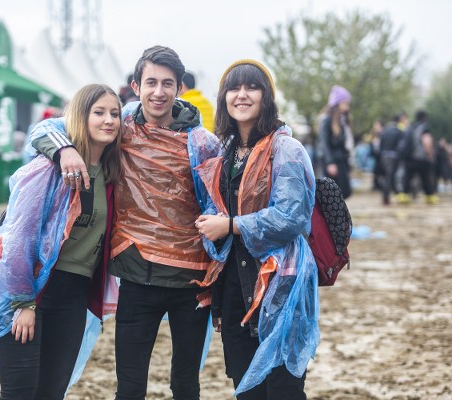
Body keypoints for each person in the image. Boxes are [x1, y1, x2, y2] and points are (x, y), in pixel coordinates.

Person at [27, 45, 221, 400]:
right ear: (136, 85)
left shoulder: (202, 143)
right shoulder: (122, 126)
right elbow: (46, 129)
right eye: (151, 82)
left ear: (180, 88)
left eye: (167, 83)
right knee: (130, 387)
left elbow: (220, 205)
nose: (158, 92)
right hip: (138, 277)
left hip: (191, 280)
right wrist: (64, 149)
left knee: (186, 385)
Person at [0, 84, 123, 399]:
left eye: (115, 113)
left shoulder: (110, 173)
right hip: (26, 291)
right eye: (99, 112)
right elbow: (18, 240)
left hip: (73, 295)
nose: (108, 120)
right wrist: (23, 303)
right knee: (21, 393)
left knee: (52, 393)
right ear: (80, 117)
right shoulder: (48, 169)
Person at [194, 59, 318, 399]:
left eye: (252, 87)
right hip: (235, 286)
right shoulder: (225, 152)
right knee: (245, 387)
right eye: (234, 88)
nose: (242, 95)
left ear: (267, 96)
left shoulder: (286, 149)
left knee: (282, 387)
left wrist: (231, 225)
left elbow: (292, 217)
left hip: (280, 284)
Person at [319, 85, 354, 198]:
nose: (347, 106)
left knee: (345, 192)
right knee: (333, 195)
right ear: (337, 103)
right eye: (345, 103)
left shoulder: (342, 121)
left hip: (342, 161)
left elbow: (345, 145)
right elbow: (324, 143)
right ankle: (333, 215)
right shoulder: (327, 120)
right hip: (333, 161)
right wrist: (330, 162)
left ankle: (339, 215)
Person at [397, 110, 438, 204]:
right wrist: (430, 155)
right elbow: (427, 141)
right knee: (426, 178)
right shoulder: (424, 127)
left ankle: (403, 195)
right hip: (421, 158)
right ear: (425, 118)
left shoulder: (411, 127)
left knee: (407, 177)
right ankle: (429, 196)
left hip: (409, 158)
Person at [378, 114, 404, 205]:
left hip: (384, 156)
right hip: (393, 157)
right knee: (389, 177)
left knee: (388, 176)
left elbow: (380, 145)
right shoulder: (399, 132)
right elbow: (401, 146)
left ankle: (393, 195)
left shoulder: (385, 131)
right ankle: (386, 198)